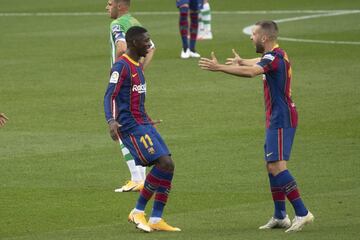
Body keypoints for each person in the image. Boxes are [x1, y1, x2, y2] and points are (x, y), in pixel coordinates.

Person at [199, 20, 314, 233]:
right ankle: (280, 215)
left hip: (282, 118)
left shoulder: (274, 58)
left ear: (264, 38)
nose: (251, 37)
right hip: (277, 117)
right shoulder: (277, 54)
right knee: (271, 164)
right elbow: (261, 60)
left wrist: (220, 68)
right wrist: (242, 61)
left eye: (253, 34)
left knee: (277, 166)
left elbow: (253, 72)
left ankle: (302, 212)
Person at [104, 26, 180, 232]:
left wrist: (148, 119)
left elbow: (134, 98)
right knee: (163, 163)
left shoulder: (136, 65)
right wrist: (111, 120)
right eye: (146, 41)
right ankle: (137, 211)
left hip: (143, 122)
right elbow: (109, 95)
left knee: (169, 165)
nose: (149, 44)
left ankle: (156, 219)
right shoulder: (121, 67)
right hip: (129, 126)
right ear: (134, 43)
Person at [106, 0, 156, 192]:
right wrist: (139, 69)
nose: (107, 7)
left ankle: (136, 178)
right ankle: (139, 177)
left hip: (123, 81)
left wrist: (120, 71)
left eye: (110, 3)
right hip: (135, 81)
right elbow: (151, 48)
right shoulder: (134, 22)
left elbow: (120, 47)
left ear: (120, 5)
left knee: (120, 125)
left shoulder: (116, 24)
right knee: (134, 122)